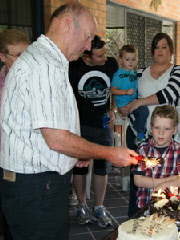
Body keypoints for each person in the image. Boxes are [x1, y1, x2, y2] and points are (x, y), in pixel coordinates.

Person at [0, 3, 137, 240]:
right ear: (67, 25)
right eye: (87, 37)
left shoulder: (48, 60)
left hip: (36, 186)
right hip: (36, 188)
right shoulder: (43, 65)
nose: (87, 47)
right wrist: (109, 153)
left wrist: (77, 153)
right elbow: (57, 139)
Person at [118, 33, 180, 217]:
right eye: (156, 47)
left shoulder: (178, 71)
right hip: (138, 135)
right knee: (138, 183)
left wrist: (139, 103)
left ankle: (166, 219)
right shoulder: (139, 73)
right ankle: (134, 220)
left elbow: (168, 94)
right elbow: (128, 97)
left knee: (166, 181)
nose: (160, 51)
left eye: (164, 47)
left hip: (164, 138)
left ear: (171, 50)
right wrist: (123, 108)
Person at [69, 35, 119, 227]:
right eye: (100, 56)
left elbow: (115, 89)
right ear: (86, 56)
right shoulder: (74, 68)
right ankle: (82, 205)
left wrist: (113, 109)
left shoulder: (111, 64)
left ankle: (98, 206)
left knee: (102, 168)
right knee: (80, 168)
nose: (105, 58)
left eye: (105, 53)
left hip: (103, 126)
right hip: (80, 126)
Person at [0, 28, 30, 240]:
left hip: (23, 163)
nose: (23, 61)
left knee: (19, 220)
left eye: (26, 55)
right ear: (2, 56)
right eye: (18, 55)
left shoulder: (33, 83)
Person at [132, 105, 180, 210]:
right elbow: (138, 180)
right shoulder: (142, 150)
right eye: (157, 127)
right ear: (151, 128)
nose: (161, 132)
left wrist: (164, 186)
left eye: (167, 128)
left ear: (174, 130)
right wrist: (167, 181)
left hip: (171, 208)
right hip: (145, 206)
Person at [111, 44, 149, 144]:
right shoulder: (119, 74)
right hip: (124, 105)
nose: (131, 62)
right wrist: (125, 92)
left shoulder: (135, 73)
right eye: (127, 59)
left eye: (133, 59)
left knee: (144, 111)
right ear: (120, 60)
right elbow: (113, 90)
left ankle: (139, 133)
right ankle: (138, 132)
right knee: (143, 112)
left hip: (133, 103)